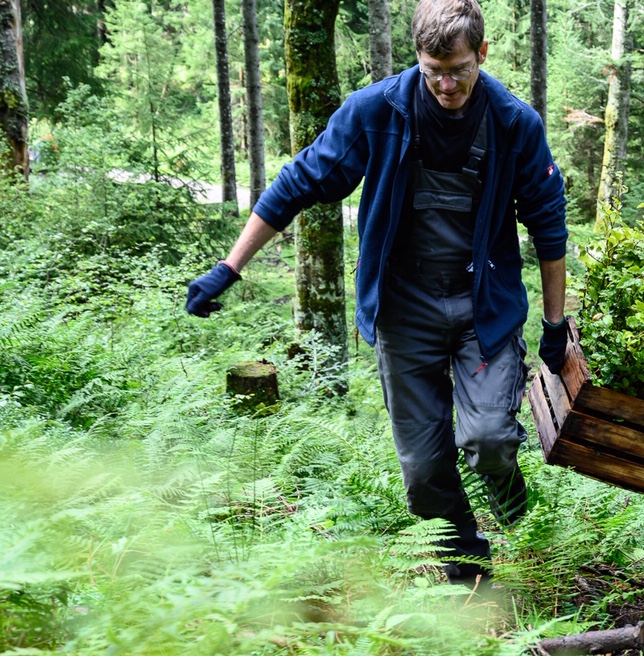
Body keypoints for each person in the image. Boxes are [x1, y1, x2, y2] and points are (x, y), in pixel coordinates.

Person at [184, 0, 570, 586]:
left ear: (482, 55)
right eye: (432, 70)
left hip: (483, 309)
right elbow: (298, 182)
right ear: (417, 58)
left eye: (459, 70)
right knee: (421, 470)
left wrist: (554, 323)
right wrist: (229, 268)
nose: (445, 84)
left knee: (489, 441)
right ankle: (468, 569)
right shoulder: (376, 111)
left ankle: (521, 516)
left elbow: (549, 226)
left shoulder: (515, 123)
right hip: (403, 309)